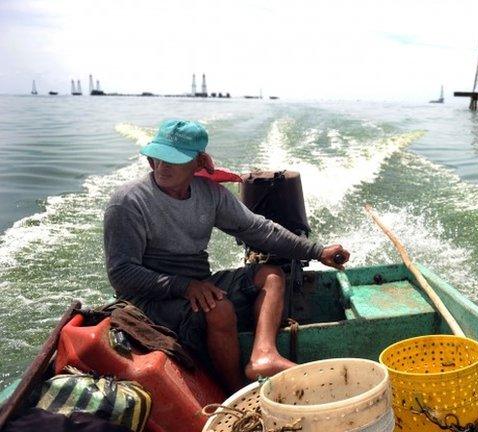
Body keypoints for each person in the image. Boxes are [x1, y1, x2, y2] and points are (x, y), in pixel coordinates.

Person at [103, 119, 349, 393]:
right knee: (219, 309)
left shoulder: (210, 194)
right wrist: (184, 287)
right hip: (148, 299)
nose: (162, 167)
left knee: (270, 275)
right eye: (158, 158)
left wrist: (317, 251)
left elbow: (259, 230)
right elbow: (122, 275)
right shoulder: (127, 202)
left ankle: (263, 355)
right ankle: (234, 392)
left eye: (173, 160)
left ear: (198, 163)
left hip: (197, 283)